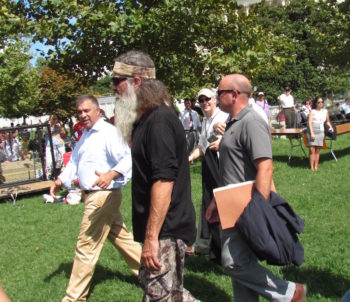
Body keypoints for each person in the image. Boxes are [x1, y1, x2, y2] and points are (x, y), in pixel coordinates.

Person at [207, 74, 306, 301]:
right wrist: (216, 202)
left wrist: (258, 210)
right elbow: (231, 168)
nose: (216, 96)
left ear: (234, 95)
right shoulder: (234, 122)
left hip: (246, 207)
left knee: (233, 263)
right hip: (230, 206)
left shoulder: (252, 121)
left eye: (219, 92)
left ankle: (289, 293)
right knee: (242, 270)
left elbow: (265, 168)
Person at [112, 50, 198, 301]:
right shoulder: (146, 121)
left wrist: (152, 238)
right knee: (171, 294)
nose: (113, 87)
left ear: (136, 82)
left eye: (118, 80)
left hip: (166, 230)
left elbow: (163, 182)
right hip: (161, 229)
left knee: (158, 296)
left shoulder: (159, 121)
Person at [50, 94, 142, 302]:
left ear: (98, 111)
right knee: (122, 239)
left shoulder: (109, 133)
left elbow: (127, 158)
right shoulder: (86, 134)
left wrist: (111, 174)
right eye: (79, 112)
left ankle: (74, 297)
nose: (82, 115)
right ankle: (153, 275)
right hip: (94, 196)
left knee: (86, 244)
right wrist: (60, 180)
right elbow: (74, 161)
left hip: (103, 196)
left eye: (86, 111)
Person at [186, 88, 228, 262]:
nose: (204, 103)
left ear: (215, 99)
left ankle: (226, 252)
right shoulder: (205, 121)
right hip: (208, 167)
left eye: (207, 99)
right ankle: (213, 249)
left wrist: (223, 140)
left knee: (223, 207)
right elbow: (202, 146)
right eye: (201, 100)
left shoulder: (224, 117)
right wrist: (189, 158)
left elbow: (233, 138)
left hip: (222, 167)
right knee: (208, 205)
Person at [307, 97, 333, 171]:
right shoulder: (312, 111)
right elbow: (309, 122)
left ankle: (316, 167)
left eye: (322, 102)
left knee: (318, 150)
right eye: (319, 102)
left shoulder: (325, 111)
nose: (321, 103)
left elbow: (327, 121)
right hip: (312, 130)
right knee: (312, 150)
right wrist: (312, 133)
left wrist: (331, 127)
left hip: (321, 131)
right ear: (315, 103)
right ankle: (312, 167)